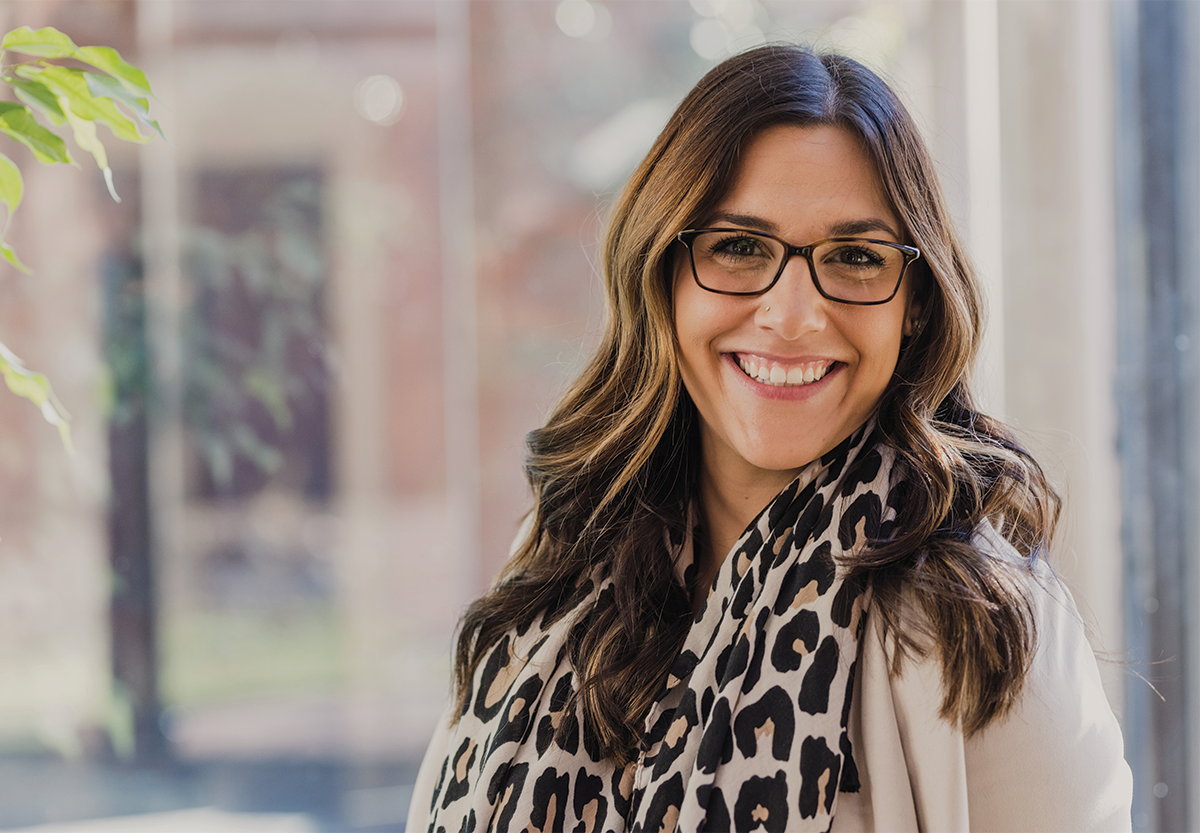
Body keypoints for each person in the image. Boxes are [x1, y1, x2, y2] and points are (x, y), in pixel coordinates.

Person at [408, 44, 1132, 832]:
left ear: (914, 304)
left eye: (855, 257)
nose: (792, 315)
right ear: (664, 273)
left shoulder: (984, 626)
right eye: (740, 247)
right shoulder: (561, 558)